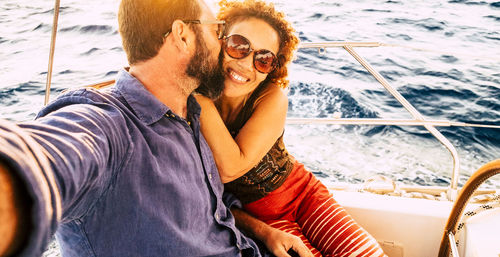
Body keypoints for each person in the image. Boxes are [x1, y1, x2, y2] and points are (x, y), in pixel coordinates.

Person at [0, 0, 314, 256]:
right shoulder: (108, 124)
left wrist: (265, 233)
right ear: (183, 34)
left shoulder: (190, 112)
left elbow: (212, 210)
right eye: (218, 30)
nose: (223, 43)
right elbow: (49, 156)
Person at [195, 0, 387, 256]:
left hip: (305, 197)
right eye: (239, 45)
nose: (246, 64)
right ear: (219, 40)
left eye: (263, 59)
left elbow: (230, 168)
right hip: (260, 220)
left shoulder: (269, 97)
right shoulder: (185, 103)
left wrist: (197, 93)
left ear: (272, 67)